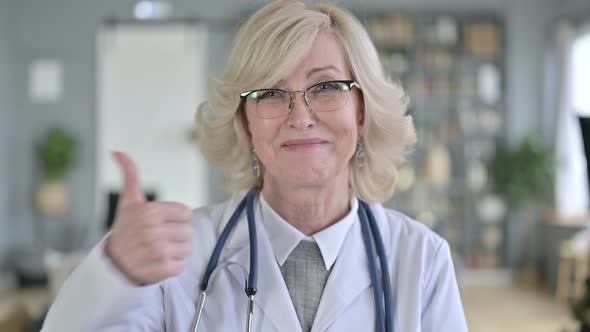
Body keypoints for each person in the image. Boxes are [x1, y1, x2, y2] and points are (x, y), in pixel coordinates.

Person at [41, 1, 468, 331]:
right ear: (244, 123)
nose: (300, 116)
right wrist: (113, 270)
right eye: (270, 93)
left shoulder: (421, 260)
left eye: (326, 87)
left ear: (362, 112)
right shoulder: (179, 254)